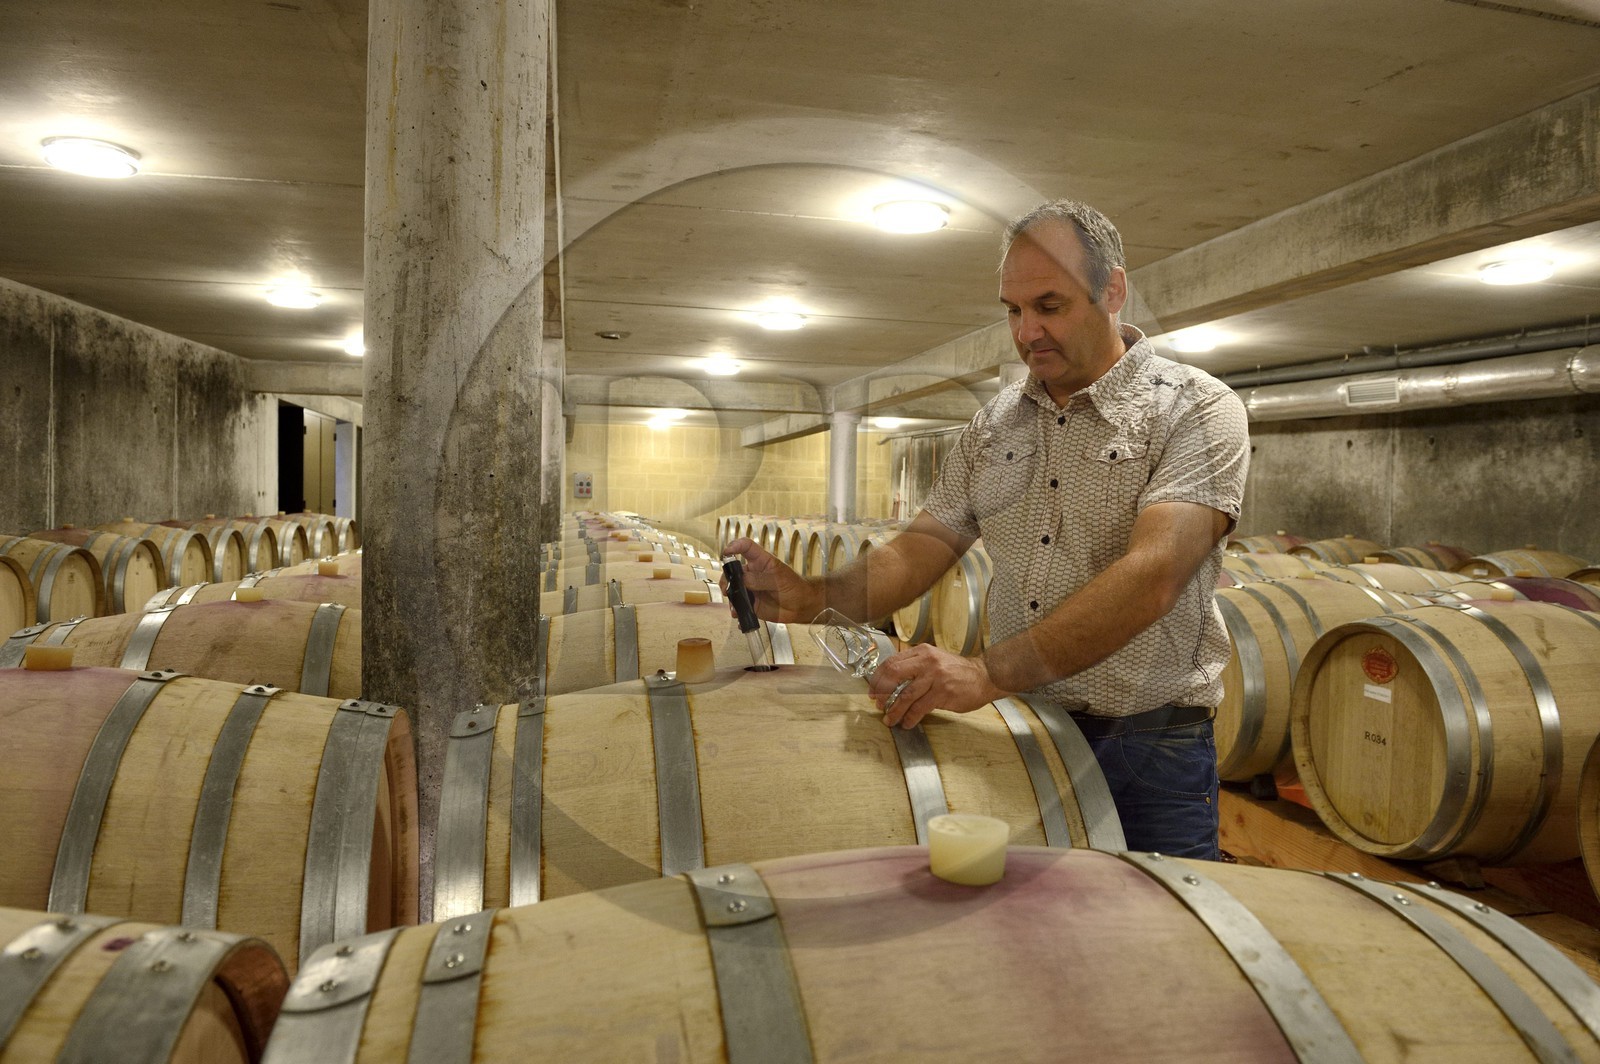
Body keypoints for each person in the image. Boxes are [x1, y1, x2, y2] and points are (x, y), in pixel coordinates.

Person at [723, 199, 1249, 860]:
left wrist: (988, 672)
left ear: (1112, 290)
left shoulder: (1197, 409)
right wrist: (811, 596)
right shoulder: (996, 424)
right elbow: (919, 551)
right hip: (1025, 726)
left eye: (1049, 306)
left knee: (1155, 945)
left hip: (1147, 745)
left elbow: (1153, 578)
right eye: (1012, 309)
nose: (1027, 332)